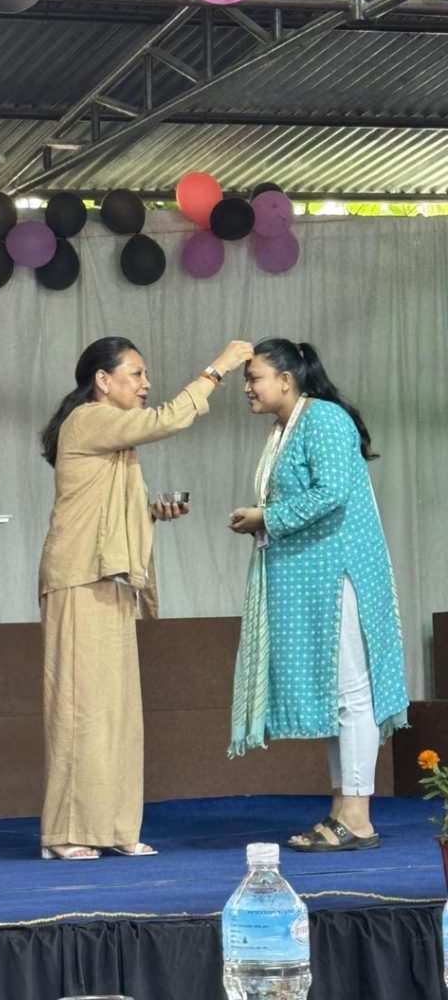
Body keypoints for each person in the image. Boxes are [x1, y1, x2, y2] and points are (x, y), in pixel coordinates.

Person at [38, 336, 253, 860]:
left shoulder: (111, 433)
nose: (145, 384)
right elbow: (166, 419)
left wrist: (151, 513)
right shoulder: (88, 419)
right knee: (81, 708)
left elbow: (104, 508)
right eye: (135, 374)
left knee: (118, 711)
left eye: (144, 374)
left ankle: (113, 827)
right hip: (79, 578)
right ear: (102, 380)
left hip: (109, 579)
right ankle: (67, 832)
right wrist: (219, 367)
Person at [228, 338, 409, 852]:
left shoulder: (324, 419)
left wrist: (267, 517)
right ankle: (341, 809)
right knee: (336, 698)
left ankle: (358, 817)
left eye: (254, 377)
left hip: (340, 573)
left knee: (352, 695)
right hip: (315, 576)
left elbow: (332, 491)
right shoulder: (288, 427)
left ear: (286, 380)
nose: (247, 388)